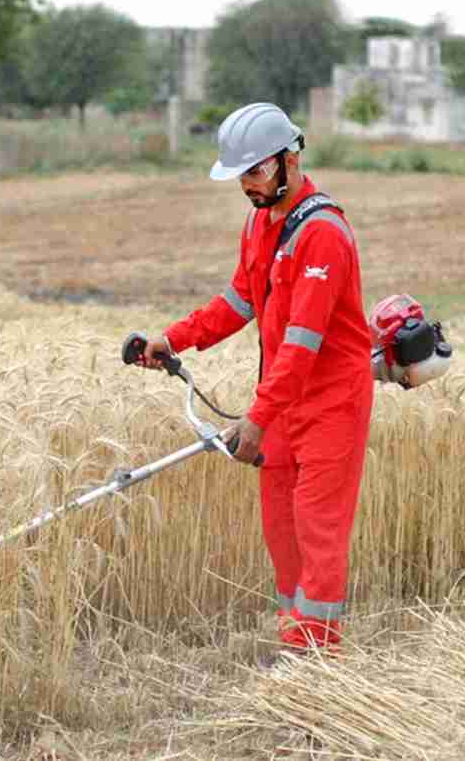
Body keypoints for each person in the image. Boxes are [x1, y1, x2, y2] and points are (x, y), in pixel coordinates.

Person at [139, 102, 373, 652]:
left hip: (330, 405)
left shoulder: (323, 235)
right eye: (241, 174)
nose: (248, 184)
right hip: (283, 403)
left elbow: (302, 344)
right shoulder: (260, 222)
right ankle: (296, 639)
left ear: (290, 160)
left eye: (257, 171)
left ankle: (314, 657)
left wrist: (257, 417)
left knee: (317, 529)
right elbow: (238, 300)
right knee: (282, 531)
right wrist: (171, 339)